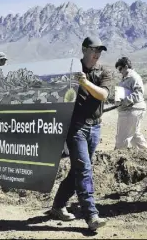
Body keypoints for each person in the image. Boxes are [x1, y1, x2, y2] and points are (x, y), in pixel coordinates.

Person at [50, 36, 112, 231]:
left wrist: (84, 83)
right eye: (94, 50)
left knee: (78, 170)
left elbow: (103, 95)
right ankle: (91, 215)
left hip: (95, 127)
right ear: (84, 49)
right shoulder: (71, 69)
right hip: (76, 127)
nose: (97, 54)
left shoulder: (104, 71)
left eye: (100, 51)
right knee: (84, 169)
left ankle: (58, 206)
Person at [114, 56, 147, 151]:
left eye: (120, 69)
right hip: (129, 111)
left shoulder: (134, 77)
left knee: (122, 139)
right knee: (135, 137)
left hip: (132, 110)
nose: (120, 72)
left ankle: (117, 158)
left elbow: (138, 93)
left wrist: (124, 102)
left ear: (126, 66)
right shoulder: (126, 78)